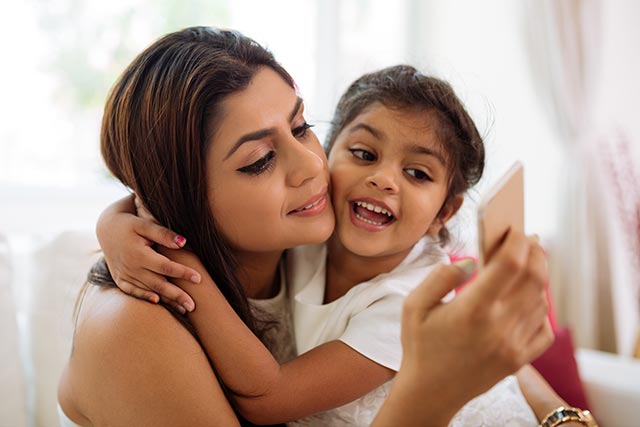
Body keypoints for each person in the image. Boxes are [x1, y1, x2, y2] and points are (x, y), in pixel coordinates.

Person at [57, 27, 555, 427]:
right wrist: (118, 225)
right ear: (179, 196)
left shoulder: (320, 243)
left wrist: (563, 416)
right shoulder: (137, 327)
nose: (312, 167)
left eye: (300, 128)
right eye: (260, 159)